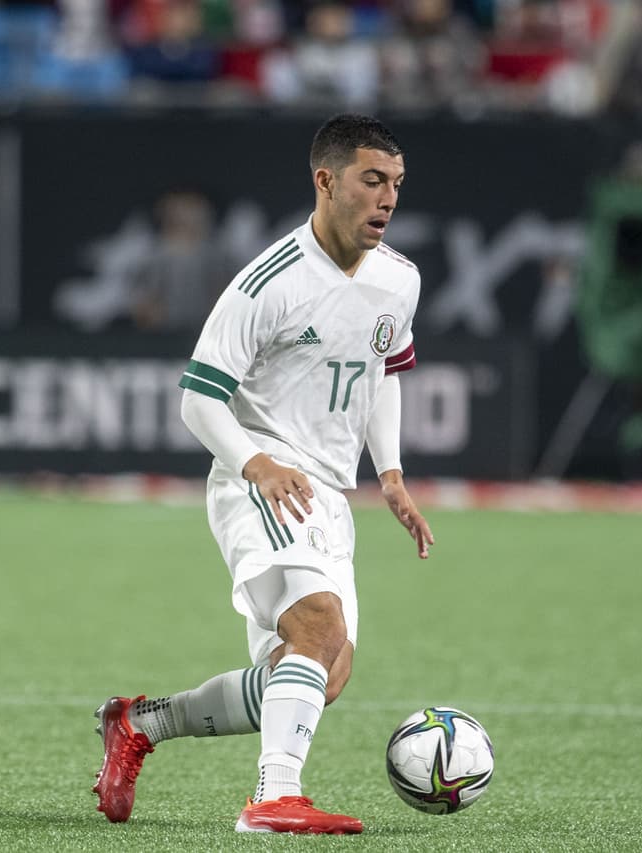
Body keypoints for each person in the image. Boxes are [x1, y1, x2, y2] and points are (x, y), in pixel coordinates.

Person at [92, 113, 434, 835]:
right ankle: (274, 797)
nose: (388, 199)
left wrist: (393, 473)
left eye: (396, 184)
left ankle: (140, 722)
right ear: (326, 180)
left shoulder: (399, 280)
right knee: (320, 624)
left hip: (327, 493)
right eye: (372, 180)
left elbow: (385, 373)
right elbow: (197, 398)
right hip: (259, 476)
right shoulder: (267, 282)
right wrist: (258, 462)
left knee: (321, 669)